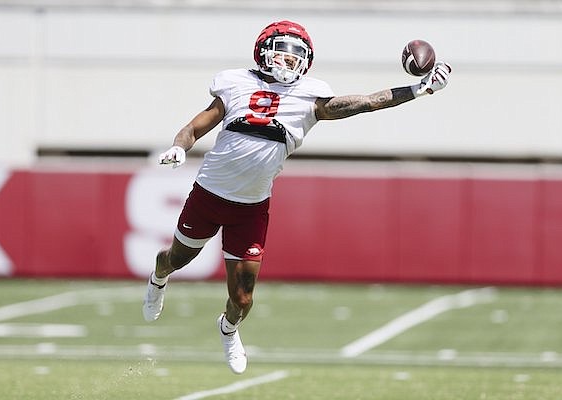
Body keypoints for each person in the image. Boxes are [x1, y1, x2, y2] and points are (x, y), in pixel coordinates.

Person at [142, 20, 451, 374]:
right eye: (282, 55)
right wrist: (179, 148)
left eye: (295, 57)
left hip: (252, 207)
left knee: (242, 298)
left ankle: (228, 329)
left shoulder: (309, 96)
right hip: (210, 194)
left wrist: (419, 88)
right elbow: (194, 127)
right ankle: (158, 277)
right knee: (177, 259)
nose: (289, 63)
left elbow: (367, 102)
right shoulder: (235, 83)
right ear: (263, 53)